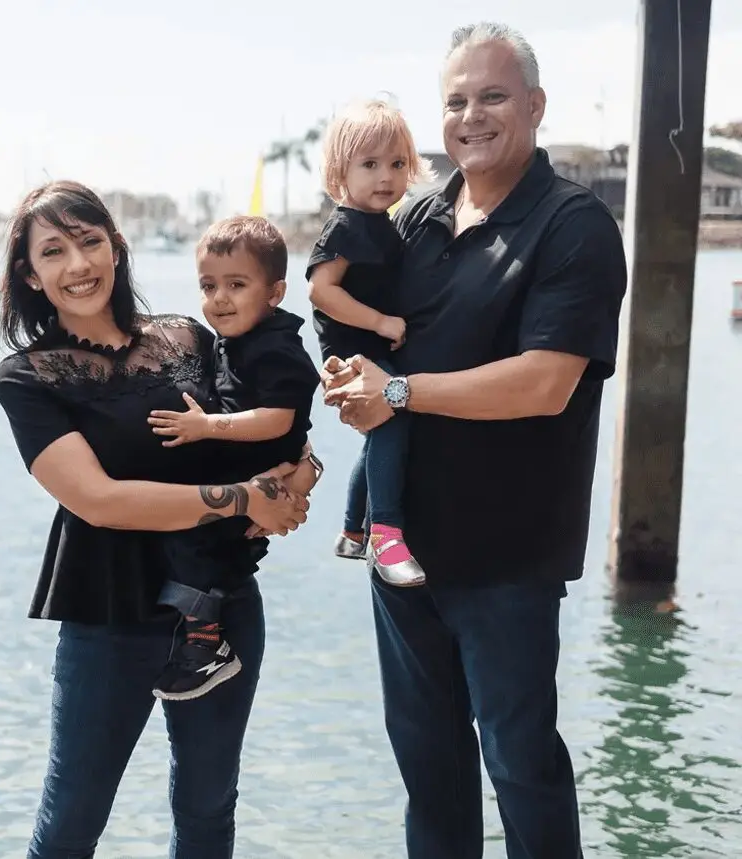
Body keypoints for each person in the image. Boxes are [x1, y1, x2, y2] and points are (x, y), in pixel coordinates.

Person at [321, 22, 627, 859]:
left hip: (509, 555)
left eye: (492, 95)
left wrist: (396, 390)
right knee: (430, 771)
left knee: (520, 762)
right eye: (455, 100)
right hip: (404, 550)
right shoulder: (413, 221)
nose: (472, 116)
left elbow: (545, 381)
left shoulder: (575, 226)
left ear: (534, 105)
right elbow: (357, 333)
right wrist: (348, 378)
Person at [0, 180, 320, 859]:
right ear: (31, 274)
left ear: (116, 246)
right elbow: (100, 500)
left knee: (207, 810)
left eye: (88, 241)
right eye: (53, 251)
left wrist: (300, 476)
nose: (77, 264)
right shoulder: (27, 377)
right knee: (71, 822)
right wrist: (241, 499)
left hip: (223, 608)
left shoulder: (191, 336)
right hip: (107, 615)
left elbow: (274, 423)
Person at [146, 215, 322, 701]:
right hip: (246, 471)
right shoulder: (237, 339)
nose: (218, 298)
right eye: (208, 285)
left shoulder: (276, 348)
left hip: (256, 468)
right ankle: (201, 634)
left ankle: (207, 645)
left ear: (275, 292)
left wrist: (206, 427)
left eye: (236, 284)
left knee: (196, 542)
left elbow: (278, 420)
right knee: (201, 546)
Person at [306, 98, 431, 586]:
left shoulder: (382, 224)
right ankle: (385, 534)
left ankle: (351, 532)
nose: (386, 177)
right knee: (393, 424)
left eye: (397, 164)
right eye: (370, 165)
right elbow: (321, 290)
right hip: (354, 348)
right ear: (342, 172)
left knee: (382, 434)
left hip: (370, 347)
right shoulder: (346, 225)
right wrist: (380, 322)